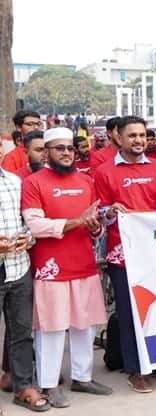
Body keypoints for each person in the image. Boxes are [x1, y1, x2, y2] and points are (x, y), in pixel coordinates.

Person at [21, 127, 112, 407]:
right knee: (51, 327)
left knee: (84, 324)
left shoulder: (86, 180)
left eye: (70, 148)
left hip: (83, 264)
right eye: (59, 148)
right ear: (46, 151)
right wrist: (76, 222)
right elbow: (34, 225)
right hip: (50, 268)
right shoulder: (33, 183)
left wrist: (96, 227)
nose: (66, 152)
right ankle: (49, 384)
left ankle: (82, 378)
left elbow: (92, 223)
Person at [94, 116, 156, 393]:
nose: (138, 140)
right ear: (119, 138)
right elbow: (99, 212)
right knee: (129, 313)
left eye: (142, 135)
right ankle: (135, 368)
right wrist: (108, 213)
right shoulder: (104, 172)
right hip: (121, 254)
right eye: (132, 135)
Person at [0, 134, 50, 412]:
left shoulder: (14, 182)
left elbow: (28, 221)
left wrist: (26, 239)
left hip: (18, 268)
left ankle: (22, 387)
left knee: (21, 333)